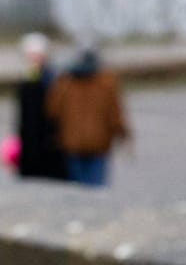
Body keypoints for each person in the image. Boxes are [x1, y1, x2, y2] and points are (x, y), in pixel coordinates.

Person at [46, 47, 130, 187]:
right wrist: (123, 133)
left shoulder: (66, 82)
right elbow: (115, 114)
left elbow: (53, 111)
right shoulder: (106, 82)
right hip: (99, 143)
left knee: (77, 188)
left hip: (72, 143)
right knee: (97, 188)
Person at [14, 33, 68, 181]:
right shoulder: (29, 79)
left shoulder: (51, 78)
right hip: (33, 145)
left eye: (37, 55)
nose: (34, 59)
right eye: (31, 55)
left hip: (48, 145)